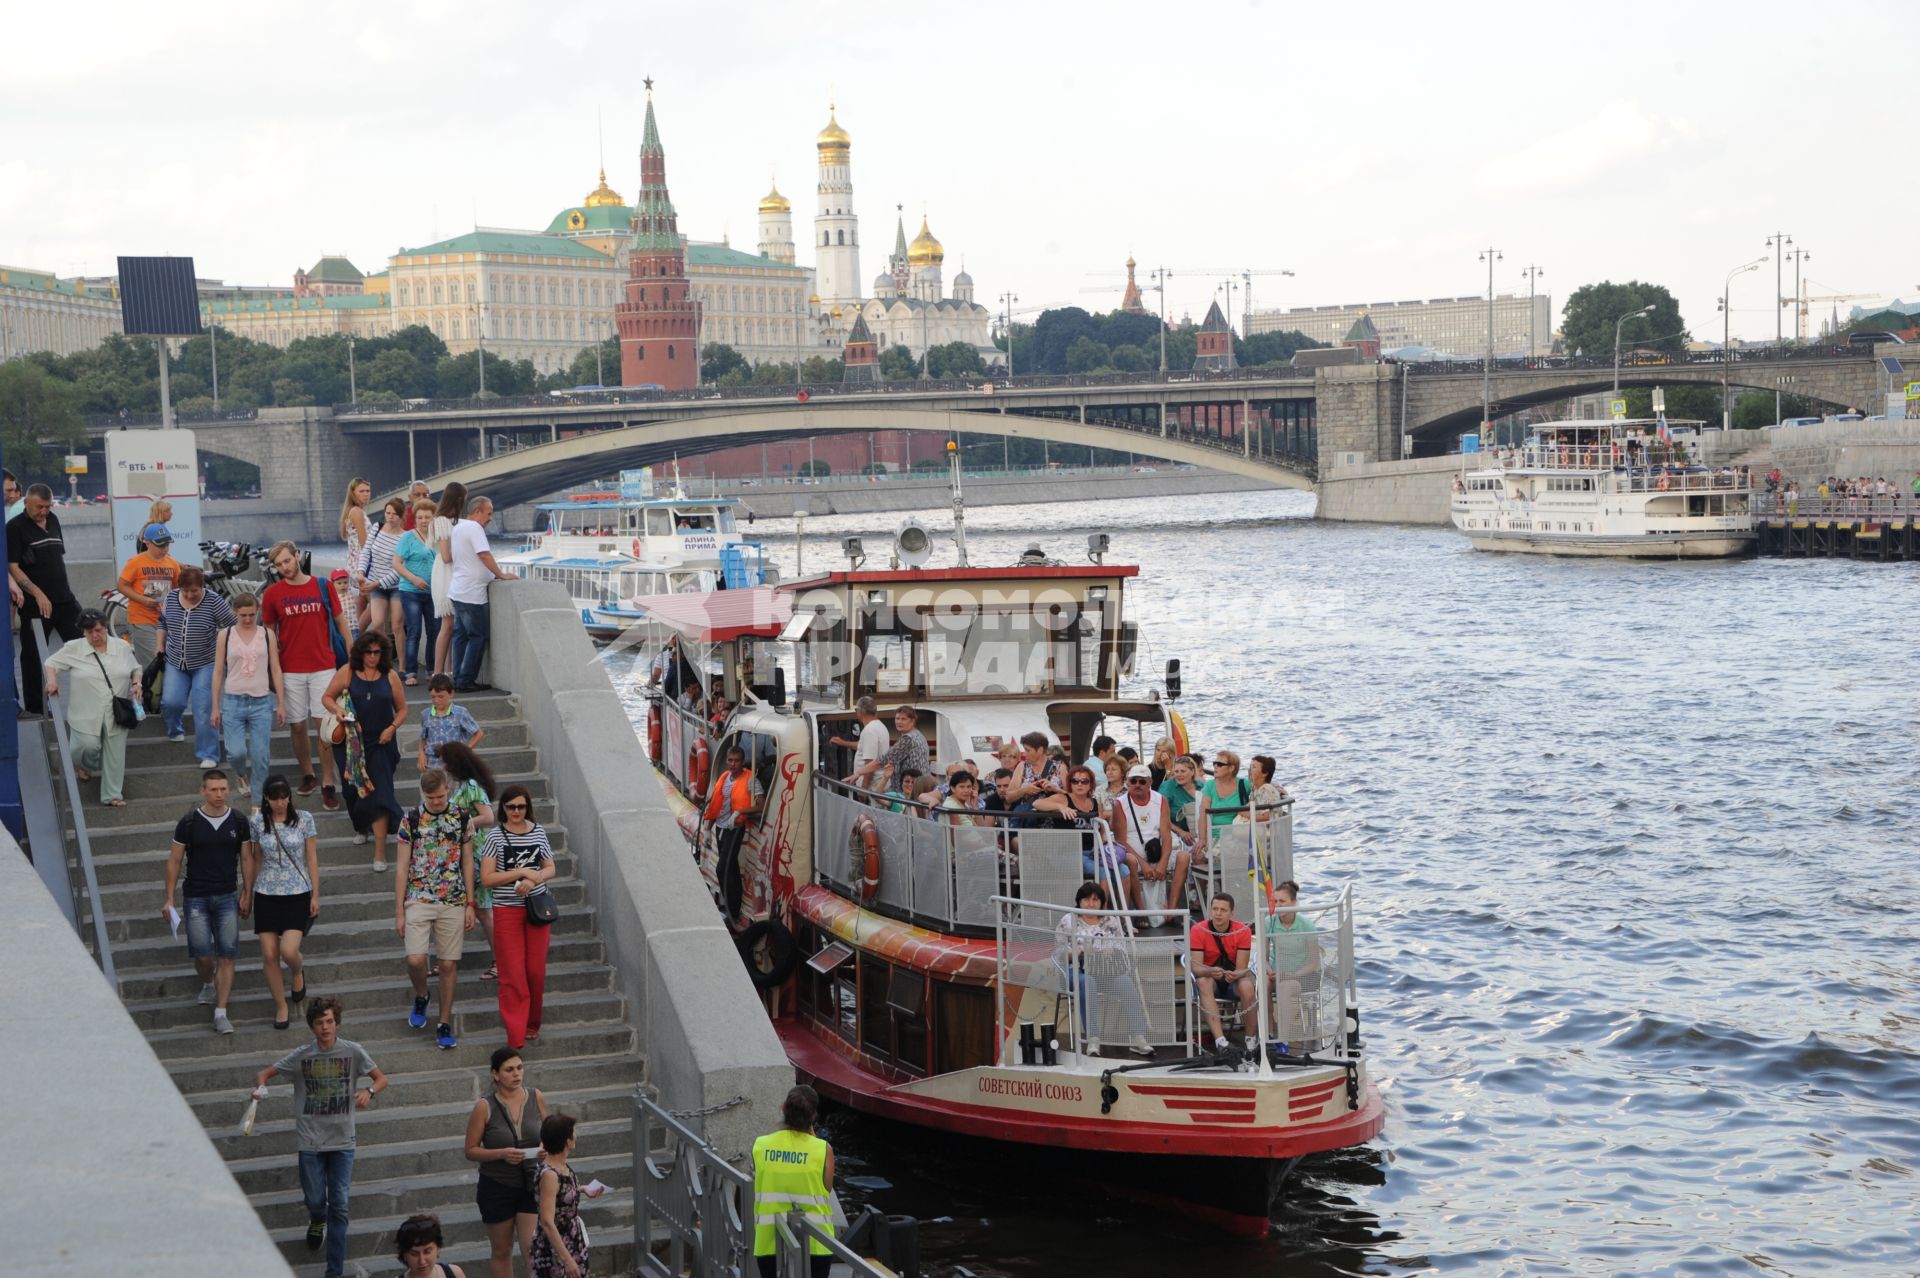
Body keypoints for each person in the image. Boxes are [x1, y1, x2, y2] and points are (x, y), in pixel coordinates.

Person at [250, 997, 388, 1278]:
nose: (325, 1027)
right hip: (310, 1140)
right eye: (319, 1022)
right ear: (312, 1026)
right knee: (315, 1199)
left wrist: (369, 1092)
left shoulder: (353, 1051)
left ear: (336, 1022)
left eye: (329, 1021)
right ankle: (316, 1220)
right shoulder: (302, 1056)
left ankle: (333, 1272)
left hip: (343, 1140)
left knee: (339, 1205)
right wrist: (260, 1089)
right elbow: (265, 1073)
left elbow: (381, 1078)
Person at [262, 540, 351, 811]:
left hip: (324, 665)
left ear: (297, 557)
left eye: (287, 561)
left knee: (323, 726)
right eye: (278, 565)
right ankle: (308, 773)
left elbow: (340, 622)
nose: (284, 568)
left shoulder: (322, 585)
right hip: (290, 669)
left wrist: (352, 656)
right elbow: (268, 632)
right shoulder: (272, 594)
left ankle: (327, 782)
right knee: (297, 725)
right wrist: (272, 670)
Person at [396, 768, 477, 1051]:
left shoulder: (462, 817)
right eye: (432, 797)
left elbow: (468, 861)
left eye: (441, 796)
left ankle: (444, 1022)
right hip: (418, 896)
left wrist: (470, 902)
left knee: (447, 963)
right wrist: (398, 910)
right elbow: (402, 865)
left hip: (453, 897)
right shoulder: (411, 818)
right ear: (423, 794)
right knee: (416, 959)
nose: (437, 801)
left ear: (448, 789)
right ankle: (421, 995)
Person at [166, 769, 251, 1034]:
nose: (219, 794)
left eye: (223, 789)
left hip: (227, 894)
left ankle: (221, 1012)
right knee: (202, 954)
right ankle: (208, 981)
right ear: (203, 791)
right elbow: (175, 860)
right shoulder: (189, 822)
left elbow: (247, 858)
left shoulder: (238, 820)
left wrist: (248, 891)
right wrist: (168, 898)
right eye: (213, 789)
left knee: (227, 955)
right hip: (196, 896)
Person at [324, 630, 408, 871]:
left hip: (381, 742)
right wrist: (337, 711)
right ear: (360, 652)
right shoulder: (347, 672)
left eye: (377, 652)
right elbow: (327, 697)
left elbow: (402, 710)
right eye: (368, 652)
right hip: (351, 743)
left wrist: (392, 728)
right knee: (352, 791)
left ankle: (380, 853)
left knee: (380, 795)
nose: (372, 656)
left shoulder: (390, 676)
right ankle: (361, 825)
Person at [482, 785, 557, 1051]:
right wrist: (521, 873)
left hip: (536, 908)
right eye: (511, 806)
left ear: (528, 807)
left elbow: (550, 867)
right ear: (503, 807)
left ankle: (532, 1023)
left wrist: (534, 877)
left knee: (535, 971)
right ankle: (515, 1035)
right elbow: (487, 878)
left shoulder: (537, 831)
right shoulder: (495, 837)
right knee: (512, 974)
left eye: (521, 807)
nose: (516, 811)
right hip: (507, 910)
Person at [42, 609, 141, 806]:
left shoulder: (121, 646)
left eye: (99, 630)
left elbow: (135, 668)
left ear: (105, 627)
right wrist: (52, 682)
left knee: (115, 754)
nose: (95, 636)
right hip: (85, 711)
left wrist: (137, 684)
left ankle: (112, 795)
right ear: (83, 632)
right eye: (89, 632)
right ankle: (85, 766)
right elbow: (51, 663)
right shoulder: (74, 648)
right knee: (84, 747)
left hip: (116, 711)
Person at [245, 775, 321, 1029]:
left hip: (297, 890)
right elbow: (255, 858)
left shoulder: (304, 819)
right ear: (266, 798)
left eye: (284, 797)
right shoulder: (257, 822)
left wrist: (315, 894)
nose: (280, 802)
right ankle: (281, 1006)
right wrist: (247, 892)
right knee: (269, 954)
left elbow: (311, 858)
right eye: (275, 798)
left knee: (288, 951)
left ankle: (298, 971)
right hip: (266, 890)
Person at [465, 1047, 548, 1278]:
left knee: (532, 1248)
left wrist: (545, 1148)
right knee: (502, 1251)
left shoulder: (536, 1096)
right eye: (509, 1070)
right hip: (497, 1185)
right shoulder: (484, 1106)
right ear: (495, 1074)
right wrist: (501, 1153)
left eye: (519, 1068)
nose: (516, 1074)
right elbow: (470, 1150)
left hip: (532, 1183)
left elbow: (550, 1135)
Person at [1053, 881, 1152, 1056]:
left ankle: (1138, 1037)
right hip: (1075, 971)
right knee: (1087, 982)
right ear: (1079, 901)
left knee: (1126, 982)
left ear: (1101, 902)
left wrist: (1111, 951)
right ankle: (1093, 1039)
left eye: (1095, 900)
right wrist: (1076, 952)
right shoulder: (1068, 920)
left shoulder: (1110, 920)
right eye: (1086, 900)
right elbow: (1057, 952)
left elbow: (1122, 949)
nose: (1091, 904)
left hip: (1105, 970)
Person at [9, 483, 84, 715]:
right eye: (38, 507)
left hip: (64, 599)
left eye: (47, 506)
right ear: (26, 503)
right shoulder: (15, 527)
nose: (43, 512)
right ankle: (36, 708)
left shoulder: (53, 520)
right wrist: (38, 592)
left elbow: (56, 558)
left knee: (84, 644)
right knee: (33, 656)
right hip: (35, 604)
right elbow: (12, 566)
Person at [751, 1086, 835, 1278]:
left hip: (768, 1241)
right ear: (813, 1116)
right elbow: (827, 1189)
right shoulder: (823, 1150)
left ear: (783, 1109)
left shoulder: (760, 1145)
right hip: (816, 1242)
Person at [209, 591, 285, 799]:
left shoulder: (267, 634)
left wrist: (281, 702)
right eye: (243, 615)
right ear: (235, 612)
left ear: (257, 611)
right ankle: (241, 774)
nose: (248, 619)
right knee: (236, 752)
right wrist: (215, 706)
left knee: (261, 755)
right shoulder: (225, 635)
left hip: (261, 701)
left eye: (252, 614)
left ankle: (258, 800)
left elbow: (276, 669)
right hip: (233, 700)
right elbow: (217, 671)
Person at [158, 566, 236, 767]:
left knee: (204, 707)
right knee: (170, 702)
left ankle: (208, 754)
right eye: (186, 591)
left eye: (195, 590)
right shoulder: (171, 599)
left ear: (202, 586)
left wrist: (229, 653)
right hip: (176, 661)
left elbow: (232, 625)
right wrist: (159, 645)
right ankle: (175, 728)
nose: (190, 595)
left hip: (206, 663)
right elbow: (162, 622)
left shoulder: (214, 601)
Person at [441, 740, 499, 978]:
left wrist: (463, 823)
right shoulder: (460, 786)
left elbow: (488, 816)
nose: (442, 765)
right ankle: (446, 961)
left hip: (476, 856)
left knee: (484, 911)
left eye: (445, 761)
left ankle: (500, 960)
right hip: (462, 855)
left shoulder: (471, 786)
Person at [449, 494, 519, 693]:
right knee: (477, 637)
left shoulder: (459, 527)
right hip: (472, 593)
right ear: (477, 511)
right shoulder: (474, 528)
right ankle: (465, 681)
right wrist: (500, 575)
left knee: (460, 637)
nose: (490, 518)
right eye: (488, 513)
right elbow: (484, 554)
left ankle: (457, 676)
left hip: (458, 589)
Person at [1112, 763, 1189, 925]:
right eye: (1133, 781)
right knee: (1130, 861)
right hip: (1134, 853)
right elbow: (1120, 840)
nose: (1137, 785)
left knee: (1183, 857)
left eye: (1142, 781)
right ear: (1127, 783)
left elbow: (1166, 836)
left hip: (1157, 850)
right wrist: (1144, 864)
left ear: (1150, 782)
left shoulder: (1160, 800)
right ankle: (1141, 913)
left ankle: (1172, 912)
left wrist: (1162, 863)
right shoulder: (1120, 804)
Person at [1189, 892, 1257, 1053]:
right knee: (1203, 982)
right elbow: (1196, 967)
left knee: (1247, 986)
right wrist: (1211, 971)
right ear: (1210, 911)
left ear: (1232, 913)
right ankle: (1221, 1041)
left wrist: (1235, 975)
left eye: (1223, 910)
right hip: (1210, 978)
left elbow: (1241, 967)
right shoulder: (1198, 929)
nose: (1218, 913)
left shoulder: (1242, 930)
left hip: (1233, 979)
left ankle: (1251, 1040)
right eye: (1215, 909)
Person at [530, 1113, 596, 1278]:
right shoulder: (550, 1175)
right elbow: (547, 1221)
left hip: (573, 1240)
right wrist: (567, 1259)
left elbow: (560, 1195)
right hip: (556, 1249)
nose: (575, 1136)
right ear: (567, 1140)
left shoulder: (561, 1166)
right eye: (573, 1132)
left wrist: (581, 1189)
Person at [704, 745, 764, 920]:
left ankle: (732, 909)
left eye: (736, 761)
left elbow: (761, 804)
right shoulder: (725, 777)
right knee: (731, 869)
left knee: (722, 868)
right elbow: (717, 805)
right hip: (721, 826)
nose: (732, 764)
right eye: (730, 760)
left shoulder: (751, 779)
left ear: (742, 761)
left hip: (735, 828)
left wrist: (741, 812)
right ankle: (731, 908)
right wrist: (708, 828)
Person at [113, 521, 181, 664]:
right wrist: (143, 600)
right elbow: (121, 585)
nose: (164, 549)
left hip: (165, 619)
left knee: (167, 660)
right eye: (160, 545)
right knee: (153, 661)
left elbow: (176, 588)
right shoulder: (136, 561)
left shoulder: (172, 563)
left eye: (167, 545)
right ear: (147, 543)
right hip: (141, 619)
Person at [1264, 879, 1320, 1049]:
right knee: (1261, 984)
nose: (1278, 905)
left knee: (1285, 987)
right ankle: (1268, 1034)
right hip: (1277, 973)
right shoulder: (1269, 922)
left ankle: (1284, 1039)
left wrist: (1291, 975)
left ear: (1294, 902)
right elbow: (1263, 955)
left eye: (1282, 901)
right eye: (1275, 901)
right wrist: (1269, 971)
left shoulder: (1307, 925)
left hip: (1302, 975)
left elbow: (1314, 962)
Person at [394, 500, 440, 685]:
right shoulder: (408, 537)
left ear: (433, 518)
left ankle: (431, 670)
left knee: (434, 631)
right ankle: (411, 673)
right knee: (414, 631)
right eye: (419, 517)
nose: (423, 520)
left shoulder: (437, 538)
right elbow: (396, 563)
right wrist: (414, 579)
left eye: (427, 517)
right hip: (411, 590)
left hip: (433, 591)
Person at [360, 496, 409, 656]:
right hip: (375, 583)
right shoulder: (377, 528)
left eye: (394, 514)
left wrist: (379, 583)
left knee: (397, 626)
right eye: (388, 513)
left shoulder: (405, 537)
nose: (390, 517)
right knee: (378, 623)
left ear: (401, 516)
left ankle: (403, 666)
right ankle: (384, 659)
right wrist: (361, 572)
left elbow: (400, 568)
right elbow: (367, 551)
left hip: (395, 586)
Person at [431, 482, 466, 682]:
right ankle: (438, 672)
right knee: (448, 624)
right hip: (447, 573)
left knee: (452, 625)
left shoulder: (453, 521)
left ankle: (448, 670)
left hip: (452, 572)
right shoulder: (442, 521)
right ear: (458, 499)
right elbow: (446, 555)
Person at [418, 673, 485, 771]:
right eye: (433, 697)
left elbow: (478, 733)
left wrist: (465, 751)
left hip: (454, 766)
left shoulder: (460, 712)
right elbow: (423, 737)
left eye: (440, 696)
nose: (436, 700)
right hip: (432, 765)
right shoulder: (425, 714)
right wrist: (421, 753)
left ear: (451, 693)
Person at [1196, 750, 1252, 851]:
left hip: (1238, 836)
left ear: (1231, 768)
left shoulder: (1244, 784)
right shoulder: (1210, 785)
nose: (1215, 766)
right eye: (1214, 763)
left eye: (1220, 764)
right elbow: (1203, 813)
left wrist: (1278, 789)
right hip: (1215, 835)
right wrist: (1202, 839)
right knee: (1198, 857)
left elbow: (1262, 789)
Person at [339, 476, 373, 638]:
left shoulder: (354, 511)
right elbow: (364, 541)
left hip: (354, 566)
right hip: (362, 566)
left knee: (359, 609)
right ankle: (354, 642)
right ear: (353, 493)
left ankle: (352, 648)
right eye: (362, 491)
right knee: (377, 605)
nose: (366, 494)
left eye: (368, 491)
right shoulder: (357, 512)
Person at [872, 704, 930, 792]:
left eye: (903, 719)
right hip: (920, 787)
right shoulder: (918, 734)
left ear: (912, 721)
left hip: (911, 791)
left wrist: (858, 773)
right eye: (897, 718)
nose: (899, 722)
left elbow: (883, 760)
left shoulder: (908, 739)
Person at [395, 1212, 468, 1278]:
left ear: (438, 1249)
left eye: (427, 1251)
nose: (422, 1261)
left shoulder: (454, 1273)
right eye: (414, 1254)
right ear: (404, 1255)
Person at [1158, 754, 1204, 850]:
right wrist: (1181, 832)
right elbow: (1159, 816)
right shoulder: (1167, 788)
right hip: (1175, 832)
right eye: (1176, 771)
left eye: (1183, 771)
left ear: (1192, 771)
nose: (1179, 775)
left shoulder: (1202, 786)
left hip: (1200, 832)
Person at [1245, 754, 1286, 823]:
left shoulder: (1267, 789)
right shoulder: (1256, 790)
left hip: (1263, 831)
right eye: (1250, 767)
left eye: (1253, 767)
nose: (1249, 770)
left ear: (1265, 773)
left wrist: (1245, 814)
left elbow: (1268, 816)